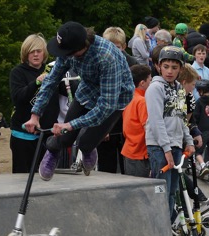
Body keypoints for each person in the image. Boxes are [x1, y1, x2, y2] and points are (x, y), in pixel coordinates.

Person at [24, 21, 134, 180]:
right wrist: (35, 115)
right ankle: (52, 151)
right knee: (65, 138)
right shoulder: (68, 51)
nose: (63, 55)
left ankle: (88, 149)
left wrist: (70, 125)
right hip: (88, 89)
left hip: (115, 98)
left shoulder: (107, 57)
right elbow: (51, 81)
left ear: (81, 47)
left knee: (85, 142)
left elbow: (105, 106)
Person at [145, 46, 195, 236]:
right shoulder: (155, 88)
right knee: (162, 190)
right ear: (158, 67)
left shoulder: (178, 89)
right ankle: (157, 231)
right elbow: (156, 121)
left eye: (174, 67)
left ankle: (166, 227)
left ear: (180, 69)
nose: (170, 71)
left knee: (172, 190)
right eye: (166, 66)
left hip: (174, 144)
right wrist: (166, 148)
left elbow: (181, 118)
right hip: (159, 146)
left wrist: (188, 141)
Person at [9, 33, 60, 173]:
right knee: (23, 177)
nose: (36, 55)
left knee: (47, 176)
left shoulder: (54, 71)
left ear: (44, 53)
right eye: (32, 51)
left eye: (39, 51)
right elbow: (18, 97)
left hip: (47, 135)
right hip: (23, 135)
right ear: (26, 53)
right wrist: (37, 82)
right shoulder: (17, 72)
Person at [95, 26, 137, 174]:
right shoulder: (99, 63)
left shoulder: (133, 65)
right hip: (106, 120)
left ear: (124, 47)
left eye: (117, 47)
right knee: (107, 166)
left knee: (128, 166)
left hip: (127, 121)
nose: (112, 50)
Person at [177, 64, 209, 215]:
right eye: (192, 85)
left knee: (178, 176)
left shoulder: (189, 98)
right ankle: (191, 205)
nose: (194, 88)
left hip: (178, 138)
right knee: (177, 176)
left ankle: (197, 202)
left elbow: (186, 121)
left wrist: (192, 134)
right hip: (176, 137)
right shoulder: (177, 94)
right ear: (184, 82)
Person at [122, 64, 152, 177]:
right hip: (139, 153)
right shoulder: (142, 101)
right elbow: (147, 128)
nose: (151, 82)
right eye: (150, 79)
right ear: (142, 83)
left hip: (130, 151)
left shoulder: (130, 97)